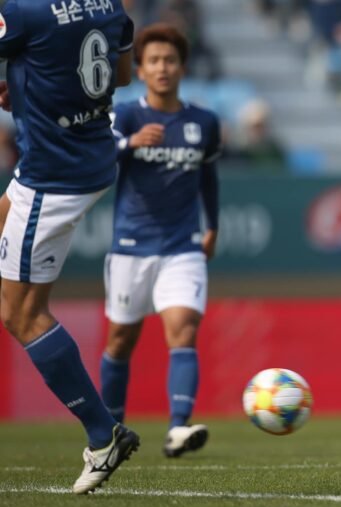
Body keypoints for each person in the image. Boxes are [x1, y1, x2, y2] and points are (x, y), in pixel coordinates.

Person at [0, 0, 137, 495]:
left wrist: (31, 77)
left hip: (51, 176)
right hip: (88, 155)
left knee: (19, 313)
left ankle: (104, 435)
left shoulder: (23, 12)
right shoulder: (111, 6)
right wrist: (30, 82)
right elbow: (119, 75)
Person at [100, 23, 220, 458]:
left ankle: (177, 429)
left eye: (169, 60)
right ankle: (108, 432)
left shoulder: (203, 121)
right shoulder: (127, 115)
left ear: (182, 67)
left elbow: (208, 176)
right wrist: (130, 143)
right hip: (131, 244)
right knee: (119, 341)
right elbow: (99, 157)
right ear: (142, 68)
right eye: (153, 61)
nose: (162, 67)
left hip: (182, 245)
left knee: (183, 329)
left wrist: (213, 226)